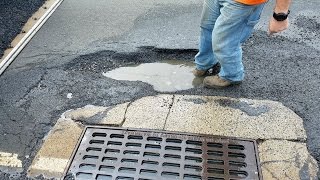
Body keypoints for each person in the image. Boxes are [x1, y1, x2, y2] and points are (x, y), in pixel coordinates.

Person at [193, 0, 291, 88]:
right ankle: (204, 64)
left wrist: (280, 15)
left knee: (226, 41)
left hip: (244, 3)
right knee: (207, 28)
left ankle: (231, 75)